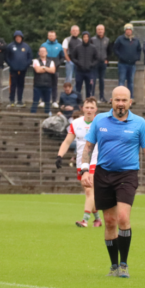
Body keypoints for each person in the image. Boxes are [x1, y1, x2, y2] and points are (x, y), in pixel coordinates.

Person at [81, 86, 145, 278]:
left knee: (123, 218)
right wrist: (84, 169)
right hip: (103, 174)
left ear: (130, 102)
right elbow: (88, 146)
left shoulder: (139, 123)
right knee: (109, 222)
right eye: (117, 100)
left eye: (124, 100)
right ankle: (113, 265)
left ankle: (124, 263)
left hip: (127, 175)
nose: (121, 104)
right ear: (111, 101)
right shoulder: (100, 120)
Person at [56, 97, 101, 227]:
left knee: (89, 191)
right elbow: (67, 141)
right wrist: (60, 156)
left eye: (92, 107)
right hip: (81, 163)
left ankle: (85, 220)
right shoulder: (76, 123)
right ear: (82, 108)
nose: (89, 110)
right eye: (87, 107)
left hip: (95, 161)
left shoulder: (100, 123)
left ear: (96, 109)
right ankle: (97, 219)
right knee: (88, 192)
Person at [4, 31, 32, 107]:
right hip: (13, 70)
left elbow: (30, 57)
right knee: (13, 85)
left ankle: (19, 100)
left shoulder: (26, 46)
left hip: (23, 70)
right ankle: (11, 100)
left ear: (22, 37)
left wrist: (26, 65)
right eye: (16, 37)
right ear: (14, 37)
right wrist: (11, 65)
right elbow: (6, 57)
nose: (18, 38)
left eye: (19, 37)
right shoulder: (10, 46)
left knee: (21, 85)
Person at [113, 24, 141, 98]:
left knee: (131, 82)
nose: (128, 31)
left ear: (132, 31)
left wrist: (137, 58)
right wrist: (121, 56)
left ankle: (130, 97)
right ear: (125, 30)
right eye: (127, 30)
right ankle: (120, 96)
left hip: (132, 64)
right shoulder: (120, 39)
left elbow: (139, 50)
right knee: (121, 81)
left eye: (130, 30)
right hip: (122, 64)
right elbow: (115, 49)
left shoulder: (136, 40)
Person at [71, 31, 99, 99]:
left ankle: (88, 102)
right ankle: (78, 102)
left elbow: (97, 58)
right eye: (84, 37)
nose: (86, 38)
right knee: (78, 88)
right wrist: (78, 63)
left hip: (89, 72)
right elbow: (73, 57)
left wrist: (92, 64)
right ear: (82, 38)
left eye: (87, 37)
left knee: (89, 88)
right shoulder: (78, 47)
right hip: (79, 71)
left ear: (89, 38)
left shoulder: (93, 48)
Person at [41, 31, 64, 108]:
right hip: (45, 69)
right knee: (44, 84)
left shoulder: (59, 46)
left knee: (54, 85)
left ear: (55, 36)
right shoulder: (43, 45)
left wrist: (57, 64)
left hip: (55, 69)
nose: (51, 37)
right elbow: (40, 56)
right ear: (48, 36)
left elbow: (62, 57)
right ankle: (43, 100)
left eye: (52, 36)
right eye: (50, 36)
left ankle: (54, 101)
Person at [30, 46, 56, 114]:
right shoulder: (35, 60)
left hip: (48, 84)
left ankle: (47, 115)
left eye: (44, 51)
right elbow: (37, 70)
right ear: (39, 53)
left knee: (47, 103)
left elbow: (53, 71)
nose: (42, 52)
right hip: (38, 85)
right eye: (41, 51)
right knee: (35, 102)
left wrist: (43, 67)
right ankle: (32, 114)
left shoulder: (51, 61)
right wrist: (47, 69)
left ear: (46, 53)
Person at [91, 25, 112, 99]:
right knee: (93, 80)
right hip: (94, 63)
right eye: (99, 29)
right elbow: (90, 51)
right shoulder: (92, 40)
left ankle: (102, 97)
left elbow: (109, 51)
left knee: (102, 80)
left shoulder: (107, 40)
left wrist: (107, 59)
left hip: (103, 62)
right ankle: (92, 95)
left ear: (104, 30)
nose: (100, 31)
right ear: (96, 30)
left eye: (101, 29)